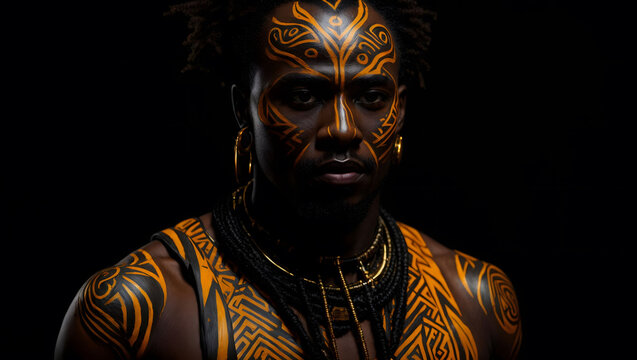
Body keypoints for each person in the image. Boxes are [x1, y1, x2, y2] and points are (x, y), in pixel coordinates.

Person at [55, 1, 522, 359]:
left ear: (399, 109)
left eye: (371, 96)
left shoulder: (476, 302)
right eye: (302, 95)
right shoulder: (136, 311)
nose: (342, 127)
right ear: (244, 108)